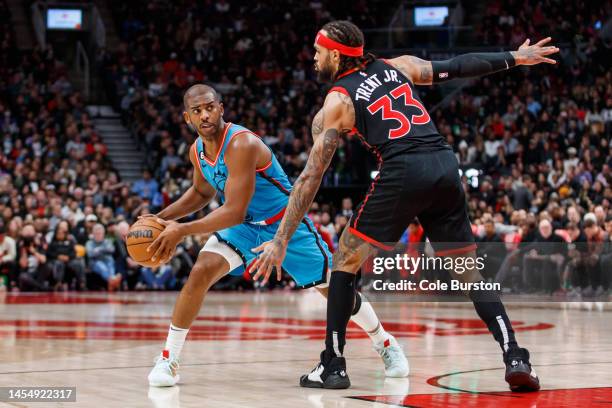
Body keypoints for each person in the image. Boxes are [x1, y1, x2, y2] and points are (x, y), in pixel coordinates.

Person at [252, 20, 558, 391]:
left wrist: (282, 238)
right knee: (466, 272)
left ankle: (332, 365)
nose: (314, 59)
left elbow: (310, 178)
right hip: (444, 164)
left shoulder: (337, 101)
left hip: (403, 169)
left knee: (344, 261)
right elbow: (459, 65)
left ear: (335, 54)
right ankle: (515, 356)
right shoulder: (398, 66)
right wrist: (515, 57)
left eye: (318, 52)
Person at [145, 84, 408, 387]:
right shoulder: (197, 151)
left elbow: (233, 211)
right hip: (245, 228)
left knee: (335, 292)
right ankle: (169, 358)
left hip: (285, 225)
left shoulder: (241, 144)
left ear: (221, 108)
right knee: (200, 271)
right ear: (187, 118)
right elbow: (201, 191)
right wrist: (161, 218)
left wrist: (183, 230)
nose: (204, 115)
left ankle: (385, 343)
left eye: (209, 107)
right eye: (197, 111)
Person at [86, 223, 121, 291]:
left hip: (107, 261)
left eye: (100, 233)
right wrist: (104, 250)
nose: (98, 235)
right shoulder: (89, 243)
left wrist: (99, 249)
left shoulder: (107, 241)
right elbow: (90, 254)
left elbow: (112, 250)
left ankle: (111, 282)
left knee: (110, 262)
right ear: (93, 234)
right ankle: (113, 280)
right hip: (95, 263)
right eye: (96, 233)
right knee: (101, 266)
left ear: (103, 233)